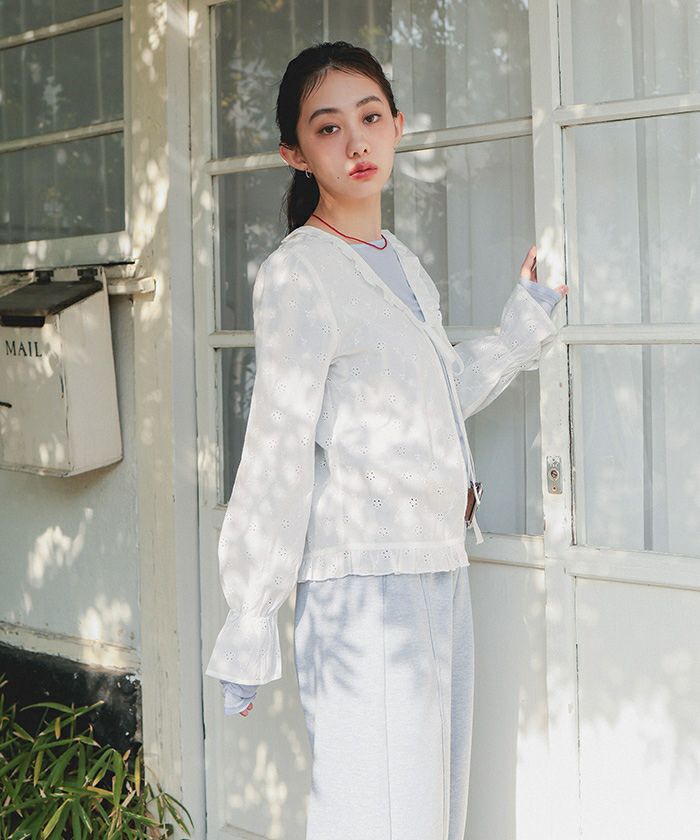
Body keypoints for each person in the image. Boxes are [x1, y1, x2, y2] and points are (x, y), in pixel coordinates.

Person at [205, 41, 567, 840]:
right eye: (328, 128)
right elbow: (276, 445)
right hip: (363, 587)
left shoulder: (400, 262)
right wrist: (250, 617)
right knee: (378, 819)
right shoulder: (300, 274)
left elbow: (430, 404)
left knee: (433, 815)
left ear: (398, 125)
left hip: (438, 565)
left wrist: (522, 327)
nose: (356, 142)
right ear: (296, 154)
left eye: (370, 118)